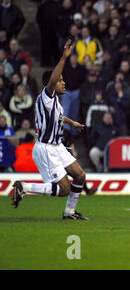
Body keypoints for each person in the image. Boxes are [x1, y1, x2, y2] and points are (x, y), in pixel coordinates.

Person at [11, 40, 89, 220]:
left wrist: (71, 122)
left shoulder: (55, 103)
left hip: (57, 146)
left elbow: (58, 117)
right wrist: (63, 58)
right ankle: (25, 187)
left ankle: (69, 212)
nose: (64, 83)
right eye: (61, 80)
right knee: (63, 189)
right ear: (52, 84)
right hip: (46, 148)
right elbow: (53, 79)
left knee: (80, 175)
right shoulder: (46, 96)